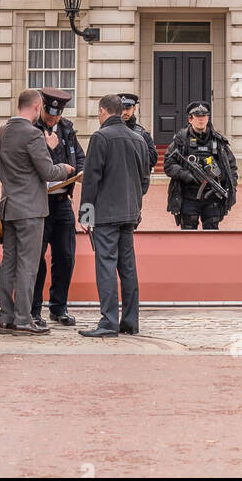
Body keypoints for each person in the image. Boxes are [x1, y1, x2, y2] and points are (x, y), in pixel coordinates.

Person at [0, 88, 75, 334]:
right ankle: (23, 319)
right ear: (38, 106)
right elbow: (48, 172)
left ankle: (6, 318)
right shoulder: (32, 134)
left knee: (8, 263)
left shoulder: (0, 132)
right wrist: (66, 168)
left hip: (8, 205)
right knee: (28, 265)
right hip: (30, 209)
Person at [78, 94, 149, 337]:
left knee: (106, 266)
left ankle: (108, 321)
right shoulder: (138, 139)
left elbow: (91, 179)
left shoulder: (100, 137)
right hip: (129, 213)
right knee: (127, 267)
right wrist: (135, 204)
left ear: (103, 111)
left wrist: (86, 214)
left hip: (106, 215)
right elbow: (144, 179)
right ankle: (130, 321)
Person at [32, 87, 86, 327]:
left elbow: (80, 157)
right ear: (41, 107)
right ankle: (34, 309)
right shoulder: (32, 130)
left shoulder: (66, 129)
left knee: (65, 256)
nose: (52, 118)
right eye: (49, 113)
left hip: (63, 201)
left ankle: (58, 306)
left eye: (56, 114)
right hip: (40, 203)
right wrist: (49, 148)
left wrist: (83, 170)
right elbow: (38, 166)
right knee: (36, 259)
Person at [163, 102, 238, 230]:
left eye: (204, 116)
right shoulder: (181, 140)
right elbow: (169, 164)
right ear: (190, 119)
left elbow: (231, 167)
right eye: (197, 116)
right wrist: (186, 175)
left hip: (212, 196)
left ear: (208, 118)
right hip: (188, 196)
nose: (201, 119)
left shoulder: (218, 141)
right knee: (188, 233)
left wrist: (231, 186)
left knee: (212, 232)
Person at [121, 93, 158, 172]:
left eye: (127, 108)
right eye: (122, 109)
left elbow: (152, 159)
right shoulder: (110, 132)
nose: (125, 112)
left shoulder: (143, 135)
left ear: (134, 108)